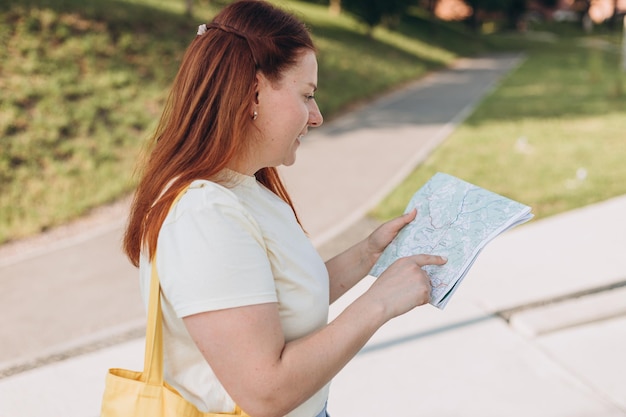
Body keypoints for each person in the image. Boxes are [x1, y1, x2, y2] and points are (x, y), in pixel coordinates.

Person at [123, 1, 447, 417]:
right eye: (307, 95)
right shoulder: (204, 215)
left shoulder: (242, 187)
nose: (317, 116)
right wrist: (378, 303)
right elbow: (265, 393)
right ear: (253, 91)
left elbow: (276, 303)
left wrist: (369, 253)